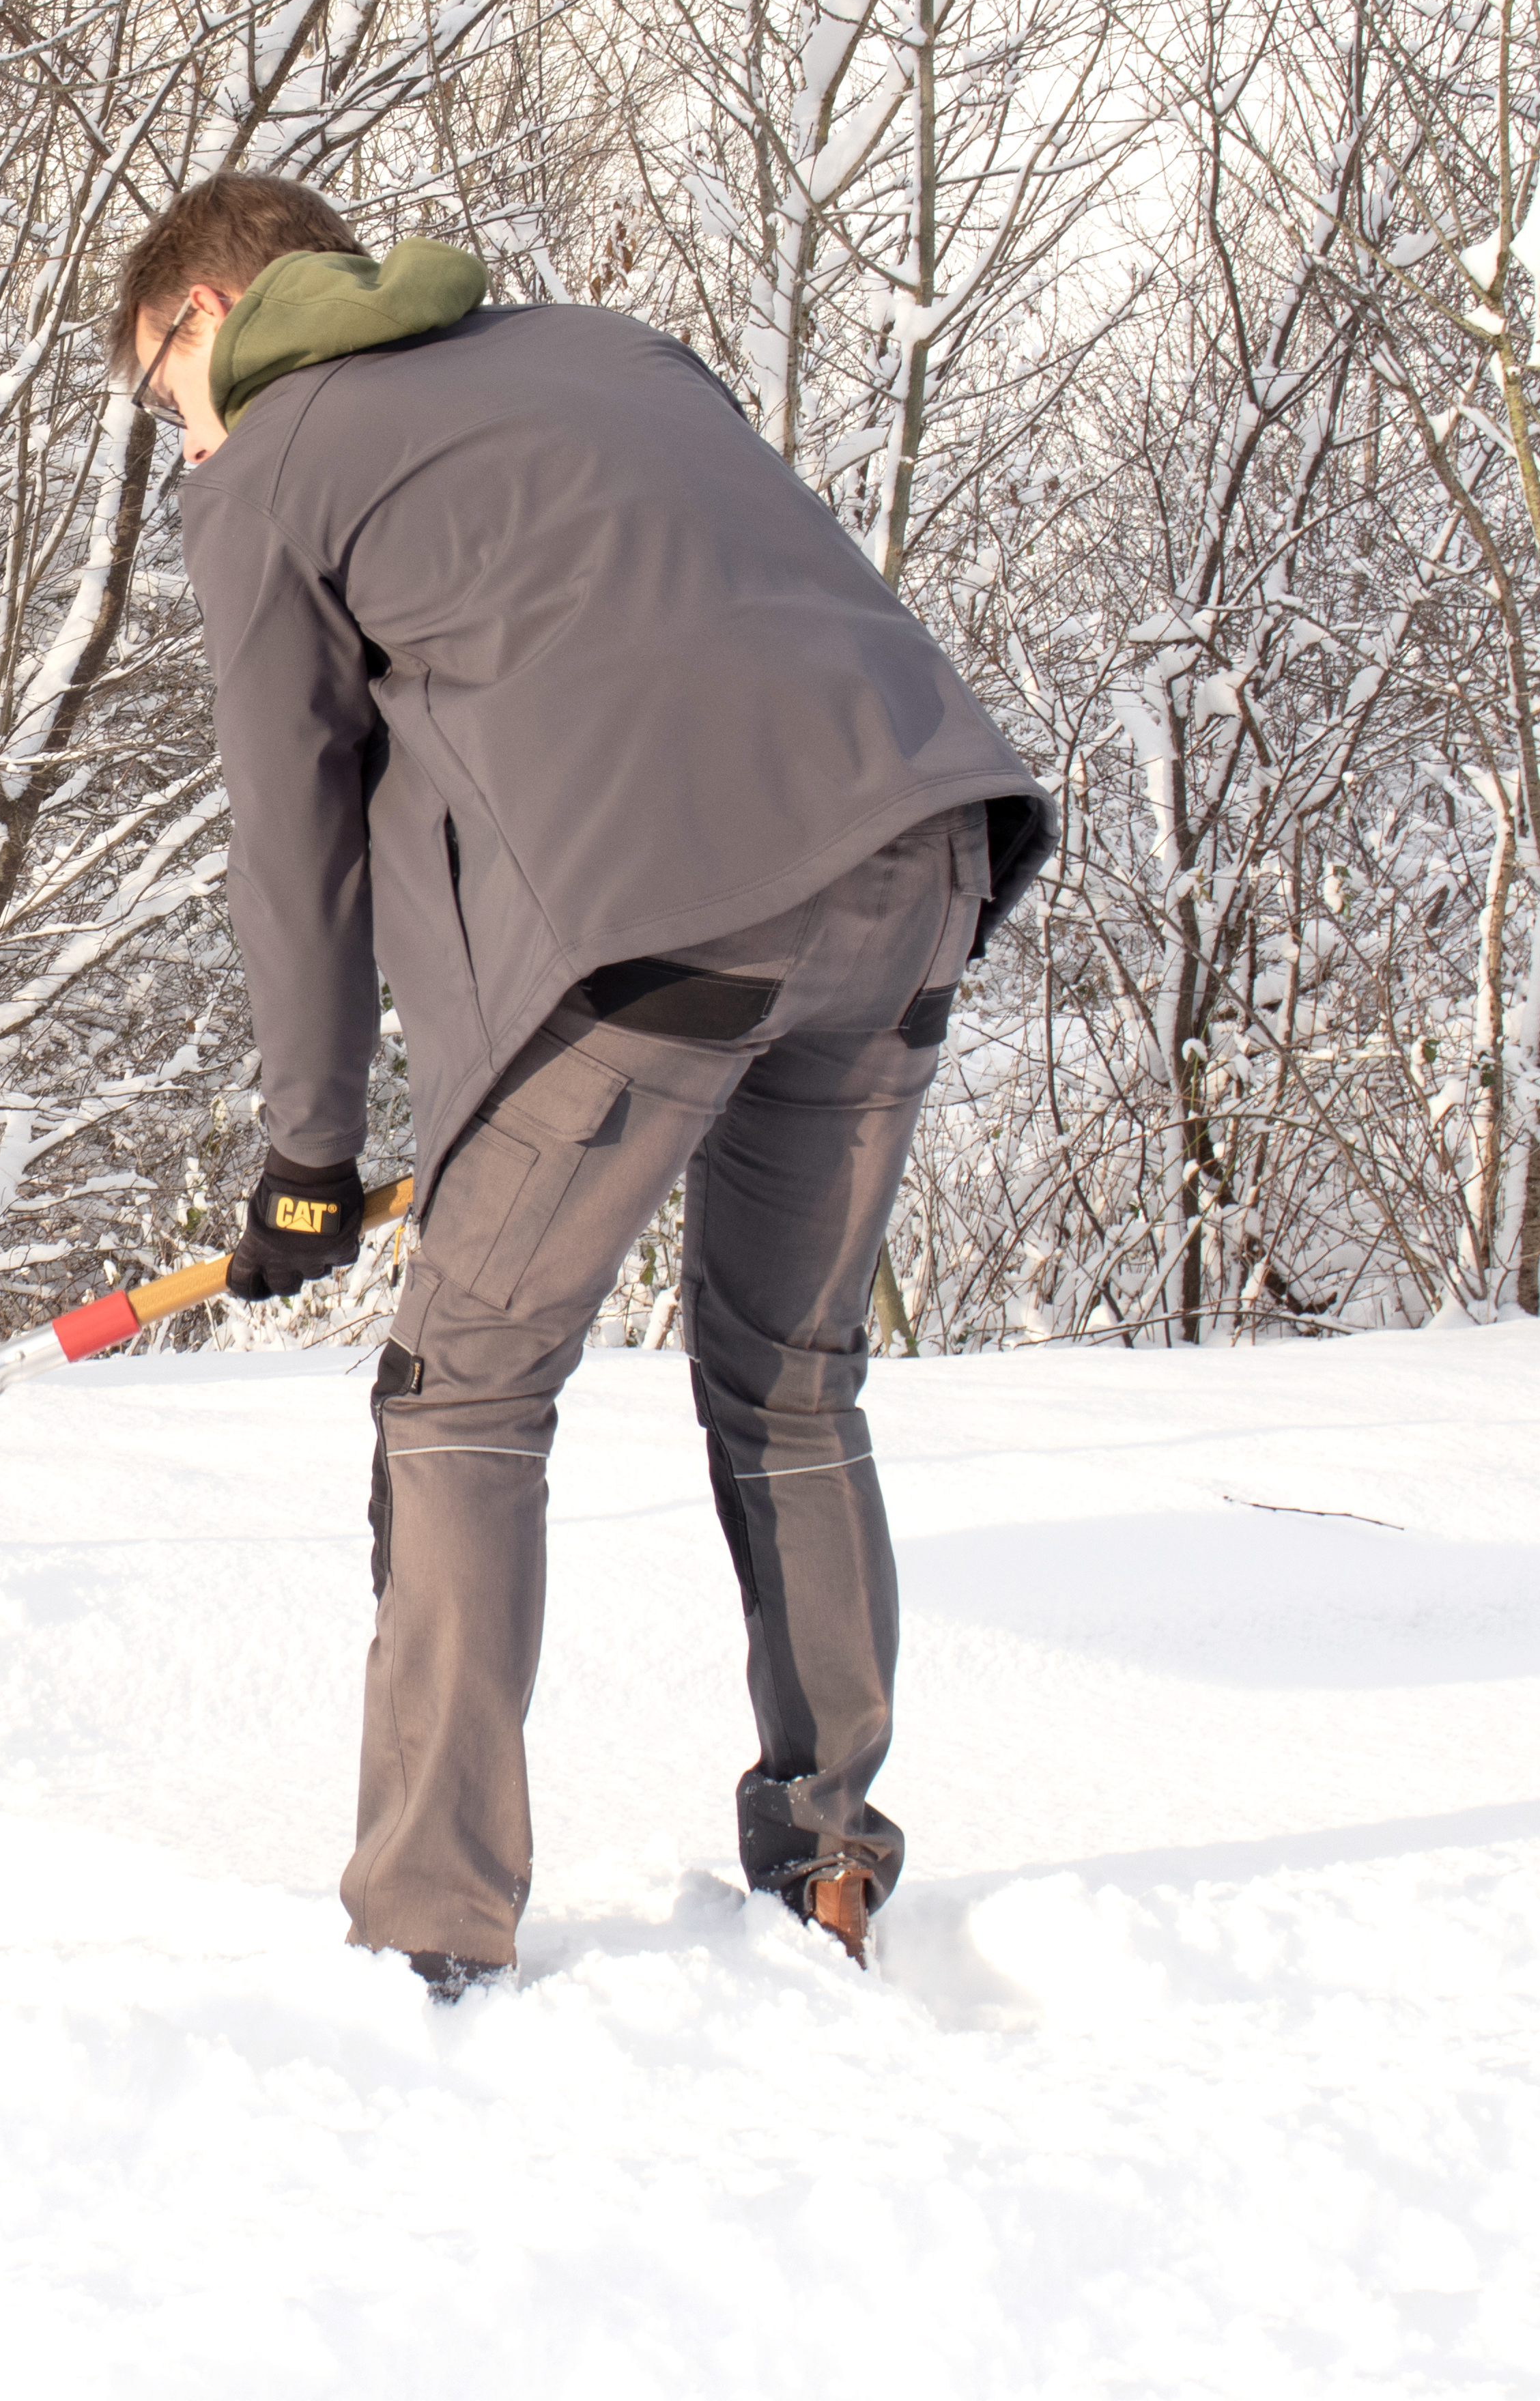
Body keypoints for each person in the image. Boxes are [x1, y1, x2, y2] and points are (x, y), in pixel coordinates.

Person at [119, 173, 1051, 1999]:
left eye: (164, 392)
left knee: (465, 1390)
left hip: (681, 915)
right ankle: (831, 1861)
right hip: (922, 857)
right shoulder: (602, 350)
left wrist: (310, 1152)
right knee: (790, 1385)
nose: (181, 435)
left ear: (213, 307)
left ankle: (430, 1929)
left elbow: (289, 837)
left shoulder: (275, 463)